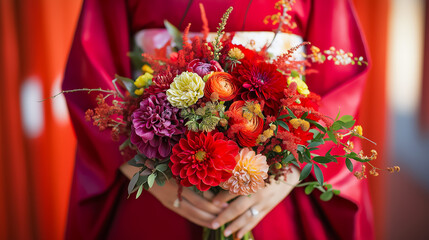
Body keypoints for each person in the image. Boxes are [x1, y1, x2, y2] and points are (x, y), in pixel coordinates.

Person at [63, 0, 374, 239]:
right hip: (157, 181)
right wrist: (139, 170)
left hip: (273, 190)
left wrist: (290, 172)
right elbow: (92, 65)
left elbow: (340, 80)